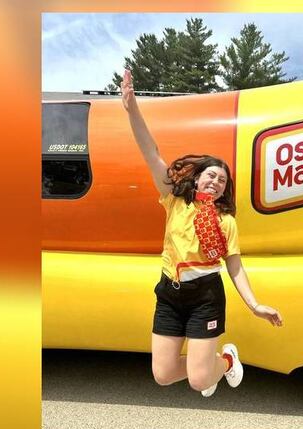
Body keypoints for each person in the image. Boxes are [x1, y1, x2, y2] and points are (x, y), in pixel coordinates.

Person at [120, 69, 284, 397]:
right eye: (210, 175)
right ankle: (212, 366)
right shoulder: (174, 199)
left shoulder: (226, 221)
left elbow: (234, 266)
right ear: (197, 179)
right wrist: (131, 109)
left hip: (205, 297)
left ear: (225, 190)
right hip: (169, 293)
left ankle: (226, 360)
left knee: (198, 381)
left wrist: (254, 305)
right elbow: (151, 152)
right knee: (163, 375)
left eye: (222, 180)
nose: (215, 181)